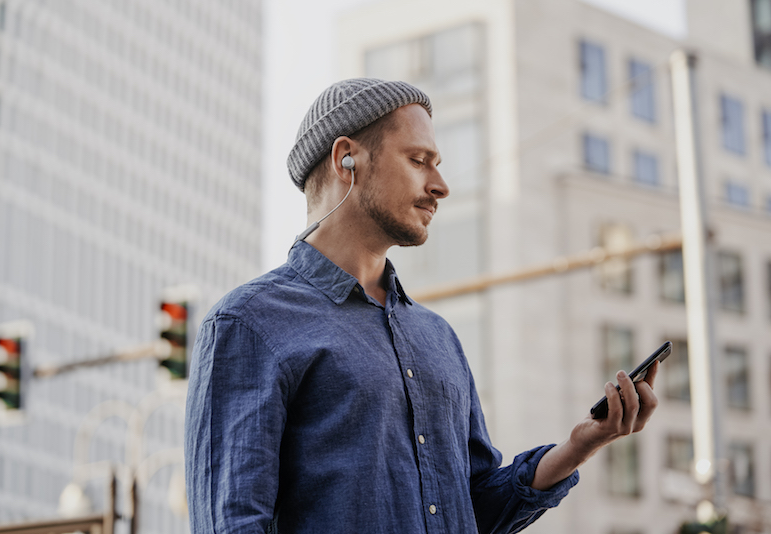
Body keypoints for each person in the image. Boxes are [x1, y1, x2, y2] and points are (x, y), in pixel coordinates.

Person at [184, 78, 659, 534]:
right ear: (346, 158)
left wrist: (580, 445)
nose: (441, 185)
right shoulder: (249, 322)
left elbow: (471, 510)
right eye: (419, 160)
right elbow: (231, 521)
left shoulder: (438, 338)